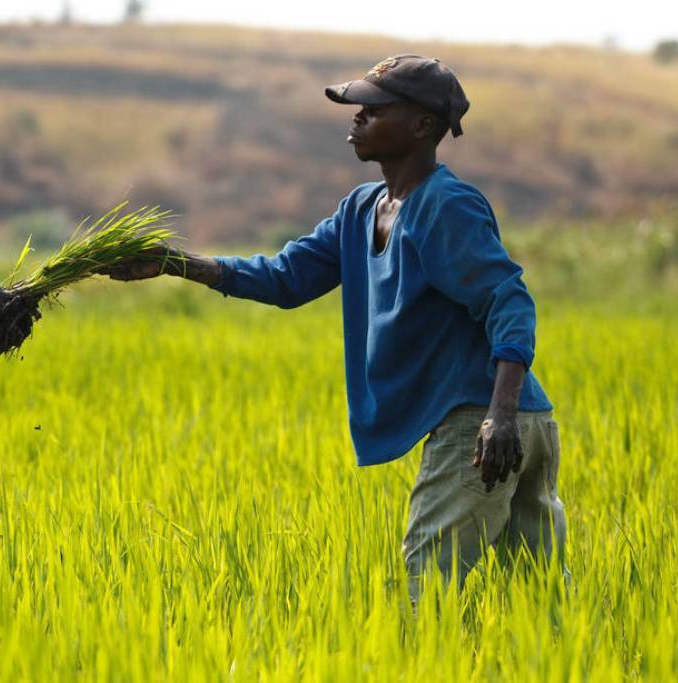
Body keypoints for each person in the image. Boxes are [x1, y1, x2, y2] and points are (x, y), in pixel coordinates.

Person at [103, 55, 566, 599]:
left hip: (484, 418)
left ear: (422, 126)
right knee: (538, 602)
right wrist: (173, 262)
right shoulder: (360, 210)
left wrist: (499, 415)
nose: (357, 118)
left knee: (429, 592)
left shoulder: (445, 205)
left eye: (374, 108)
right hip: (508, 417)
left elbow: (508, 299)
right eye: (358, 108)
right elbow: (286, 278)